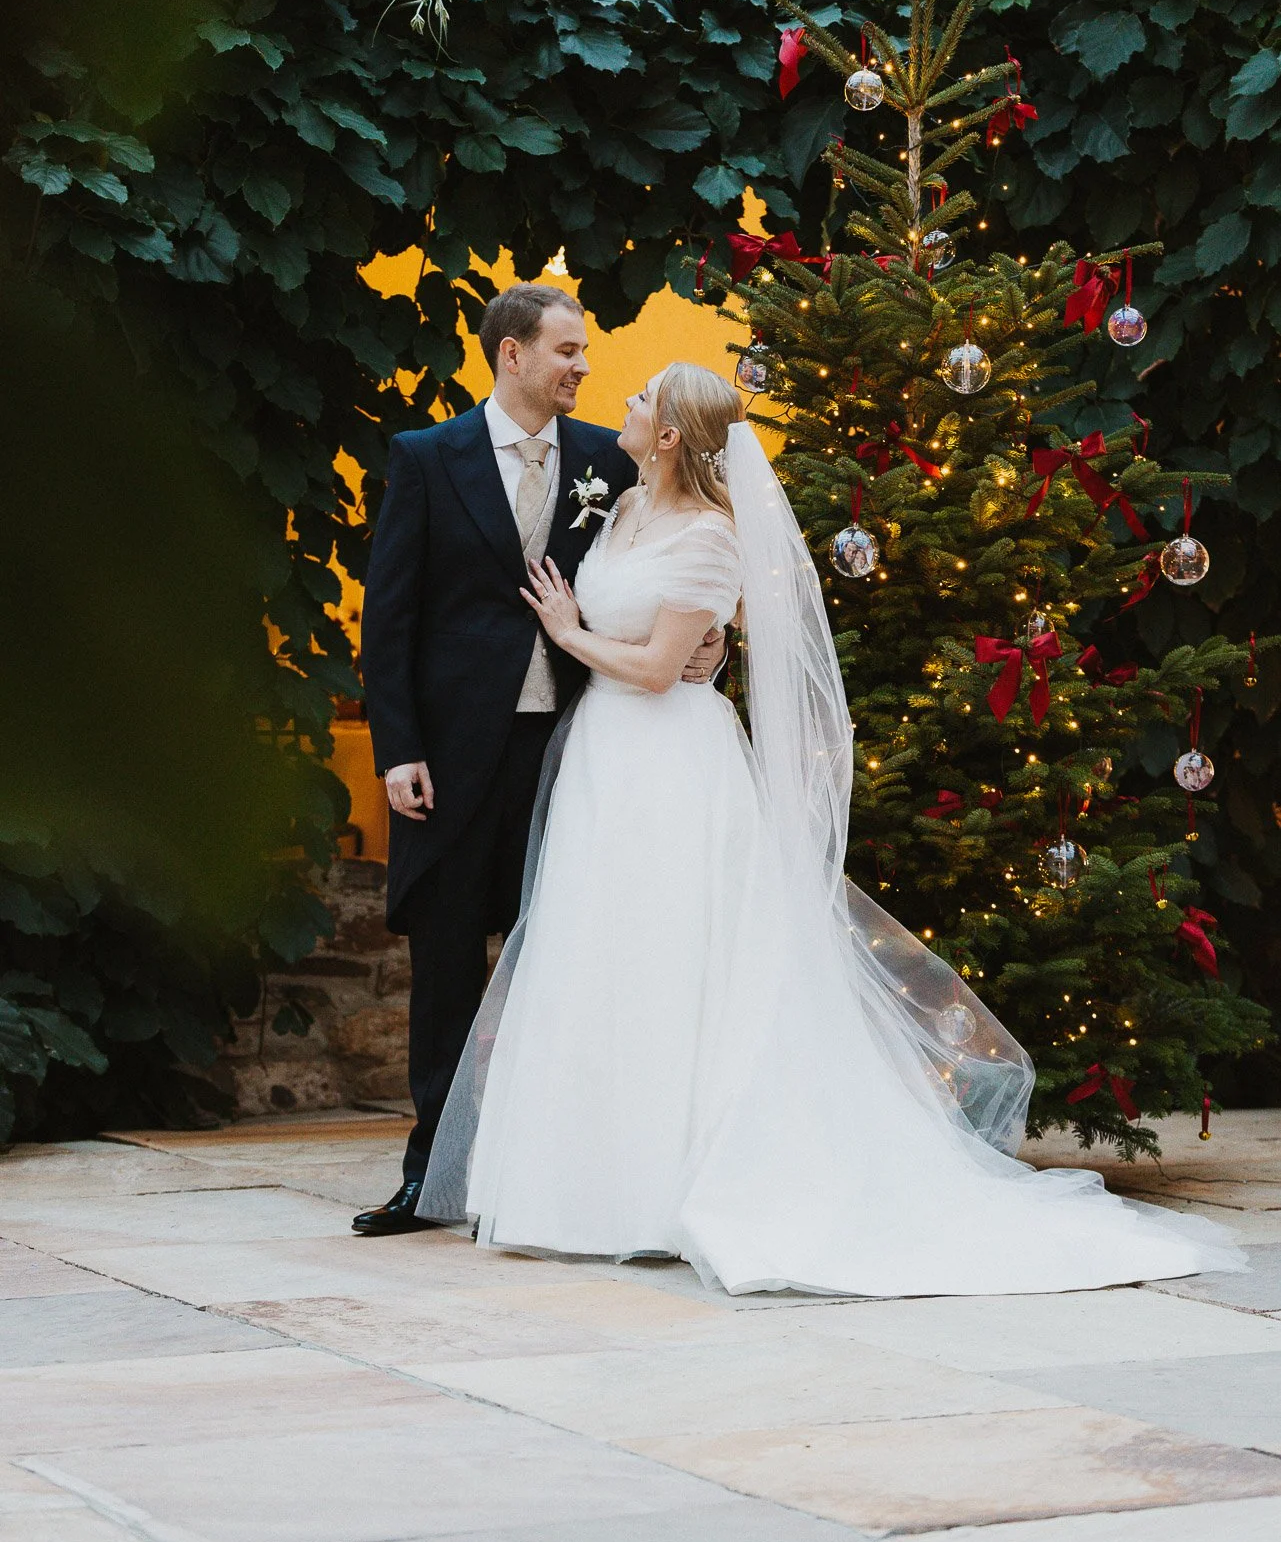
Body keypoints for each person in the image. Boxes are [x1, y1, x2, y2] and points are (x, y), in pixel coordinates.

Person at [416, 361, 1242, 1297]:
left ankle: (665, 1193)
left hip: (673, 766)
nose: (626, 408)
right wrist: (681, 634)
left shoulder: (708, 535)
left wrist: (569, 631)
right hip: (604, 763)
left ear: (673, 433)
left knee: (676, 957)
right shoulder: (624, 506)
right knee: (600, 955)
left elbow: (654, 668)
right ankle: (580, 1194)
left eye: (642, 401)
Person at [354, 288, 724, 1236]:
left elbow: (681, 564)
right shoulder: (425, 458)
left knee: (567, 959)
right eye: (566, 351)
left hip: (577, 747)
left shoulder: (614, 458)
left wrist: (713, 643)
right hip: (448, 755)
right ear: (511, 354)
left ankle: (548, 1173)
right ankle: (432, 1177)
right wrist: (399, 750)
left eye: (584, 352)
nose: (583, 368)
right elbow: (388, 618)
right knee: (446, 960)